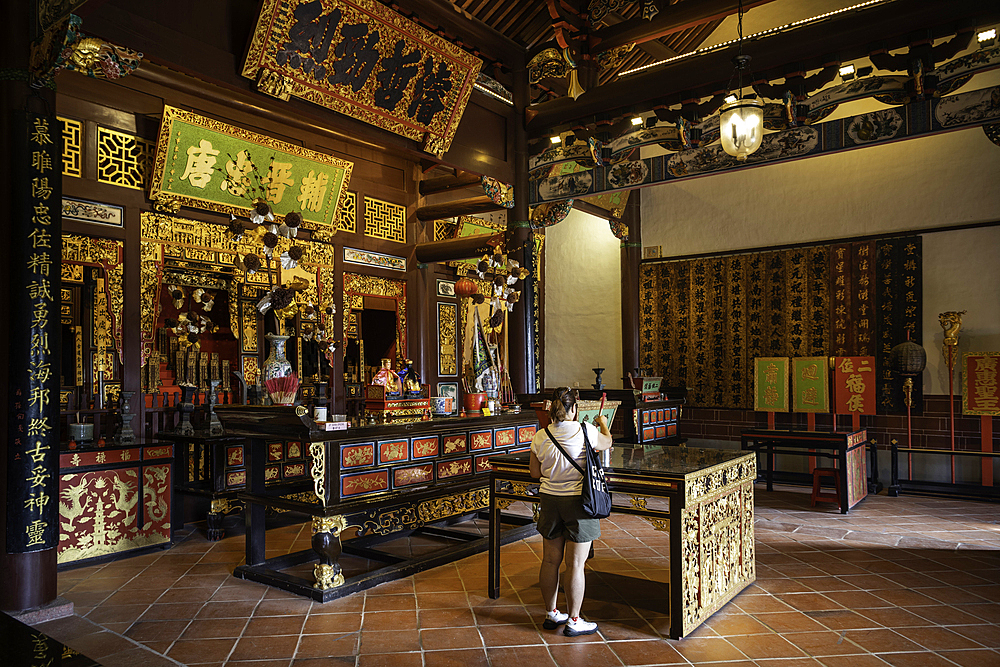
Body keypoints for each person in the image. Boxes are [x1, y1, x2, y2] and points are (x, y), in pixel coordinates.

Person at [529, 387, 613, 637]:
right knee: (575, 565)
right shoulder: (586, 430)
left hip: (550, 501)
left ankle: (552, 613)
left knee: (549, 561)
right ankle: (574, 620)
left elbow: (535, 473)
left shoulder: (540, 436)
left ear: (552, 410)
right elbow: (607, 443)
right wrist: (603, 423)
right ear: (574, 409)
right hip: (579, 502)